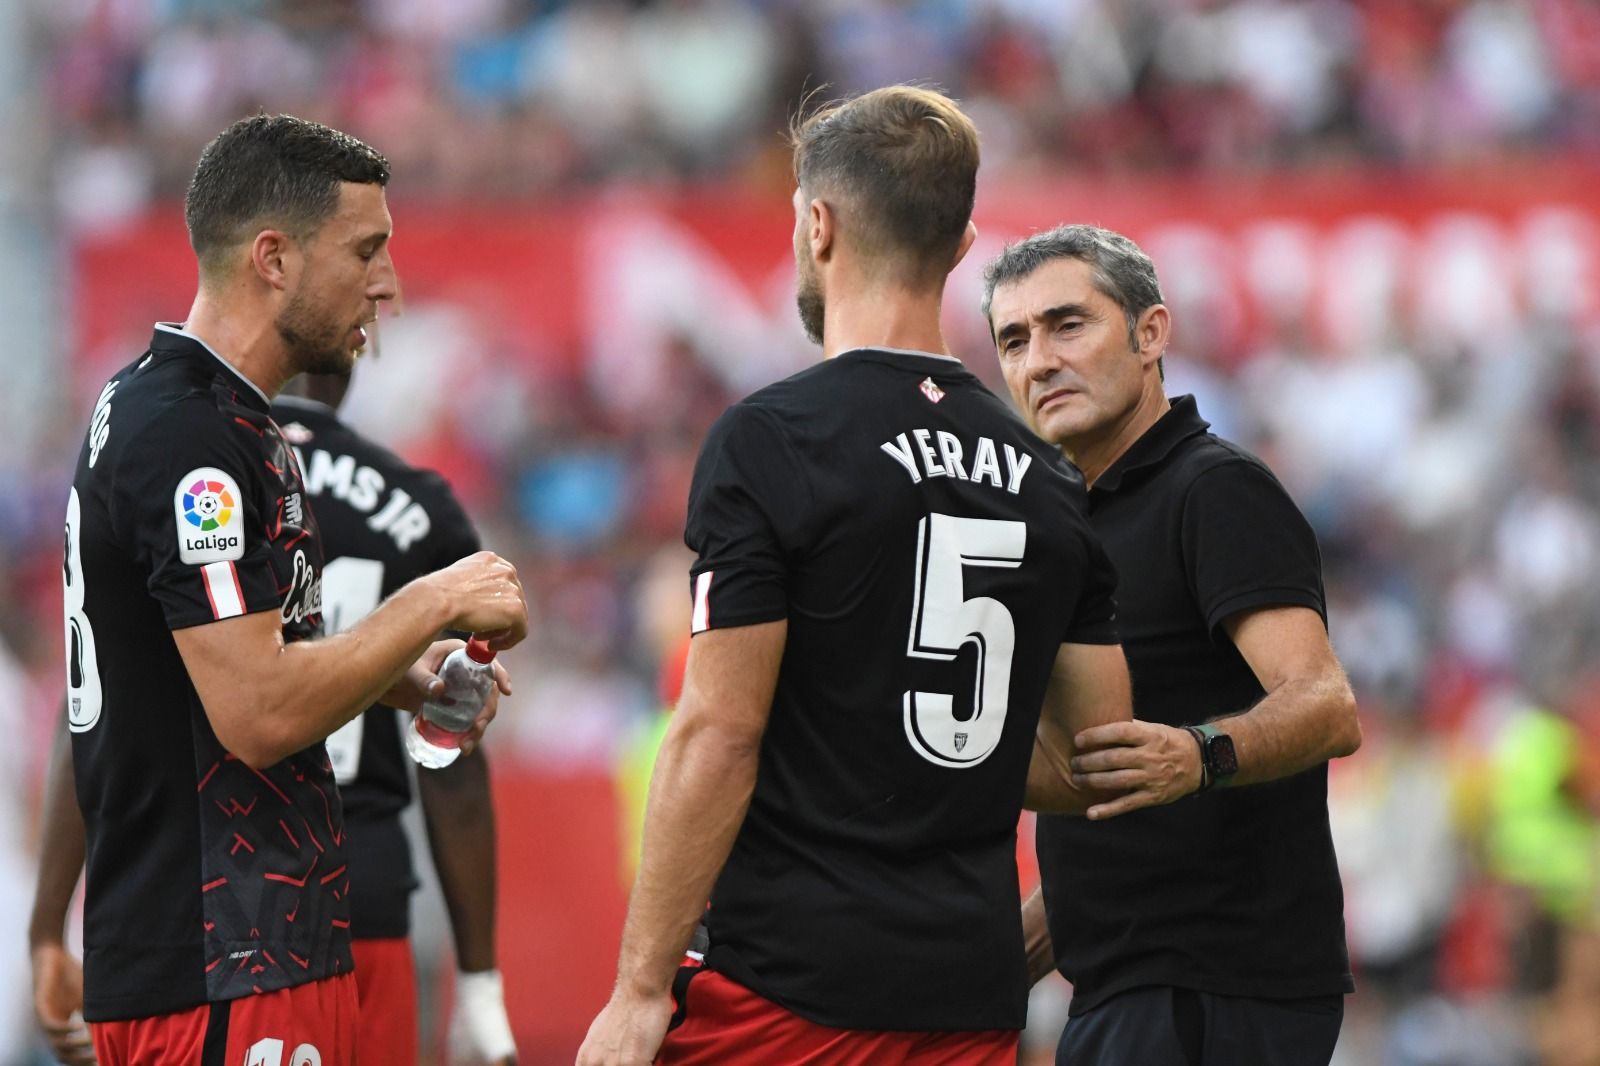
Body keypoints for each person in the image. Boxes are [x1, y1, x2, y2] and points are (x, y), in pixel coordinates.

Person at [578, 85, 1135, 1066]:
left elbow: (717, 730)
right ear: (962, 246)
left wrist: (636, 987)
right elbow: (1103, 766)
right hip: (969, 998)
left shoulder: (772, 439)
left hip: (787, 991)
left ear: (818, 224)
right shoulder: (1051, 478)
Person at [52, 113, 527, 1066]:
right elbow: (259, 714)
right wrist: (429, 601)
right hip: (222, 958)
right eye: (366, 250)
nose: (385, 283)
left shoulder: (200, 409)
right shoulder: (194, 441)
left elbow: (208, 664)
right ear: (273, 257)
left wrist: (406, 677)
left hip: (241, 948)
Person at [982, 223, 1362, 1066]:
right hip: (1130, 993)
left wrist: (1199, 755)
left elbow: (1327, 705)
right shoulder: (1072, 522)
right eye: (1014, 339)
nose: (1038, 359)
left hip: (1218, 990)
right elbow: (1122, 823)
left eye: (1066, 324)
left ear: (1151, 333)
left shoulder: (1212, 489)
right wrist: (986, 972)